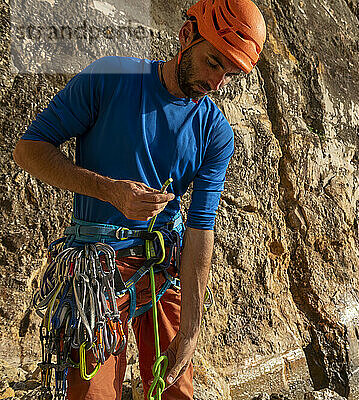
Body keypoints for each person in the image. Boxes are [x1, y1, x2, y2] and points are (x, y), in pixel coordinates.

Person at [12, 0, 266, 398]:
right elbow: (29, 151)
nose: (216, 83)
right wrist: (110, 191)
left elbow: (202, 228)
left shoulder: (215, 132)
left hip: (163, 269)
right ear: (186, 37)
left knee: (176, 391)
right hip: (96, 271)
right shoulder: (111, 78)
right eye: (212, 63)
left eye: (229, 74)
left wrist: (191, 332)